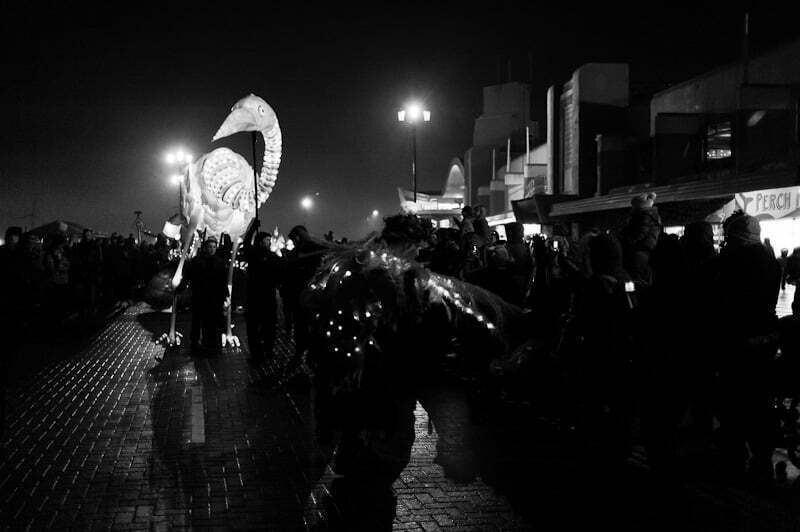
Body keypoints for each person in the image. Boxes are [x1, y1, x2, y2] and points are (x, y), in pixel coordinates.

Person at [713, 211, 781, 484]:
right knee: (760, 398)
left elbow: (720, 300)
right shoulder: (769, 259)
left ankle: (735, 454)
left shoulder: (732, 261)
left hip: (737, 338)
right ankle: (762, 454)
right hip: (763, 335)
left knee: (734, 398)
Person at [242, 219, 285, 362]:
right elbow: (246, 245)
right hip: (254, 297)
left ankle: (268, 349)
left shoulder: (273, 257)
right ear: (260, 242)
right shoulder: (253, 255)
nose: (269, 242)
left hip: (268, 297)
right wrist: (252, 229)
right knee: (253, 328)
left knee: (269, 327)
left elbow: (281, 273)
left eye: (269, 240)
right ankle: (256, 353)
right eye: (267, 240)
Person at [180, 236, 228, 355]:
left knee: (213, 323)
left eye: (214, 247)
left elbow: (223, 280)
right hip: (200, 297)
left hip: (215, 299)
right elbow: (188, 275)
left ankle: (212, 346)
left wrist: (225, 294)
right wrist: (181, 286)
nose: (212, 249)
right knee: (197, 321)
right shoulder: (197, 261)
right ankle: (195, 344)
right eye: (210, 247)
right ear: (205, 247)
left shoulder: (219, 262)